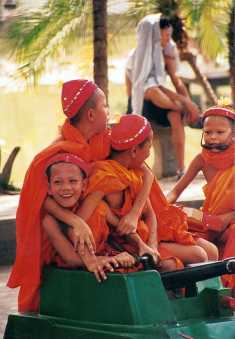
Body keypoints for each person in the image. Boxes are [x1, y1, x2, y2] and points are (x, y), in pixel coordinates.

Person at [7, 79, 153, 312]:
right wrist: (75, 220)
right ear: (92, 115)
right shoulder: (53, 154)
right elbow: (39, 200)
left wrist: (135, 214)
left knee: (115, 185)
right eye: (105, 106)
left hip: (106, 223)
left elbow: (144, 169)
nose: (109, 111)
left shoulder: (102, 141)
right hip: (66, 230)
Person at [84, 115, 217, 268]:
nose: (149, 153)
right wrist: (146, 245)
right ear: (134, 151)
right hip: (132, 243)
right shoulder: (109, 179)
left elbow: (150, 212)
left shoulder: (133, 169)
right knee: (199, 255)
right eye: (149, 147)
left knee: (211, 251)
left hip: (156, 231)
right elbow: (121, 229)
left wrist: (152, 242)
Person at [167, 104, 235, 289]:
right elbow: (175, 191)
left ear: (233, 134)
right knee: (181, 219)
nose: (213, 136)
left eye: (220, 132)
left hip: (230, 220)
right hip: (209, 219)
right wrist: (160, 208)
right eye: (208, 132)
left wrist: (226, 218)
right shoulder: (201, 159)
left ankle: (229, 285)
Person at [42, 153, 135, 284]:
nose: (66, 188)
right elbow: (70, 258)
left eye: (73, 181)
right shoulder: (49, 220)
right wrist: (101, 259)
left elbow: (121, 228)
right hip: (72, 274)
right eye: (57, 182)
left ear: (84, 185)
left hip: (103, 257)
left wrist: (142, 247)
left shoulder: (95, 205)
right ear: (49, 188)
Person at [125, 14, 200, 178]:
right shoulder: (136, 56)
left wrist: (186, 102)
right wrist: (186, 104)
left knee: (175, 116)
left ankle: (181, 169)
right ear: (154, 34)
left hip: (160, 100)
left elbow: (170, 83)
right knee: (152, 91)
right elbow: (138, 88)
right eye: (165, 35)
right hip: (141, 102)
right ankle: (184, 110)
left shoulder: (163, 52)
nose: (168, 38)